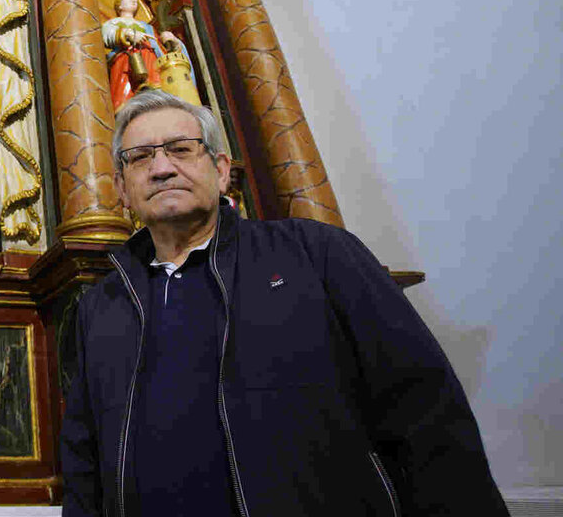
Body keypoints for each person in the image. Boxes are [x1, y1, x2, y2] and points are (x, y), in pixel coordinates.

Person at [60, 89, 507, 516]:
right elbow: (85, 463)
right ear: (121, 187)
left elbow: (426, 411)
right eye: (140, 157)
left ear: (219, 169)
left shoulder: (316, 255)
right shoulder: (101, 306)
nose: (161, 168)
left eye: (180, 149)